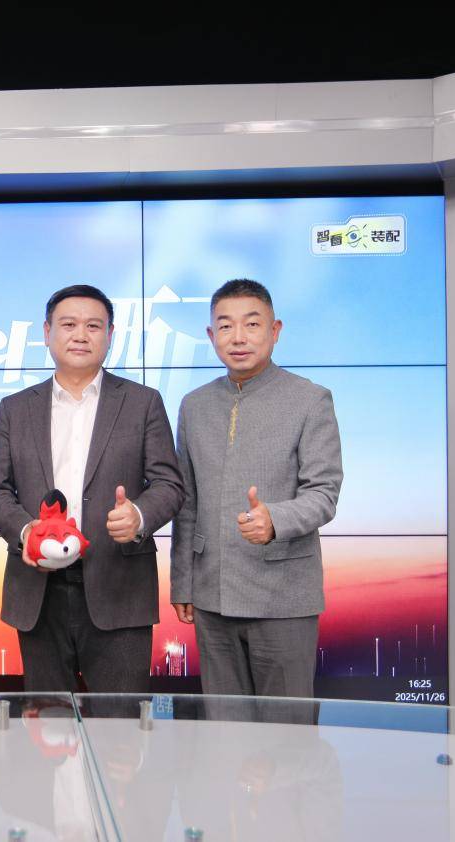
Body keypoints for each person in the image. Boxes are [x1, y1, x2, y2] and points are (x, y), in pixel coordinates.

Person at [0, 284, 185, 692]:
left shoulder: (143, 402)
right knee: (47, 721)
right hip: (37, 590)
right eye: (68, 324)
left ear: (110, 335)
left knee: (121, 722)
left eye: (93, 326)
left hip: (119, 585)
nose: (80, 335)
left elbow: (169, 484)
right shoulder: (15, 409)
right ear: (47, 333)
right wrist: (29, 533)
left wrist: (138, 516)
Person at [171, 278, 343, 702]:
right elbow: (186, 502)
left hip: (283, 595)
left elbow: (324, 493)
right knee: (224, 728)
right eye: (225, 326)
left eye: (252, 324)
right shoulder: (194, 405)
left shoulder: (310, 400)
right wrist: (183, 584)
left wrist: (275, 520)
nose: (238, 337)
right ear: (211, 335)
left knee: (286, 730)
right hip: (211, 596)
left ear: (275, 330)